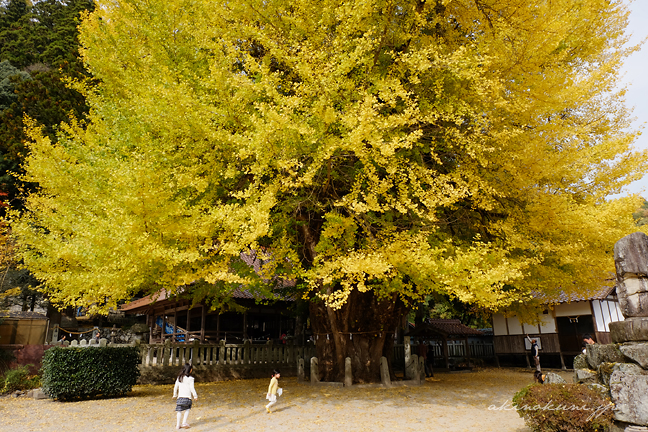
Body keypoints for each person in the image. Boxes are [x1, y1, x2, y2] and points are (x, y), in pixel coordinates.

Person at [173, 363, 198, 429]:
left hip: (180, 397)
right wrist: (195, 396)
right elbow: (192, 388)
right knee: (187, 409)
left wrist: (174, 395)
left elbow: (175, 387)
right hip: (187, 398)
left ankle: (178, 425)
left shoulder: (179, 378)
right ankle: (184, 422)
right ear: (190, 370)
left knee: (179, 411)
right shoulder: (190, 379)